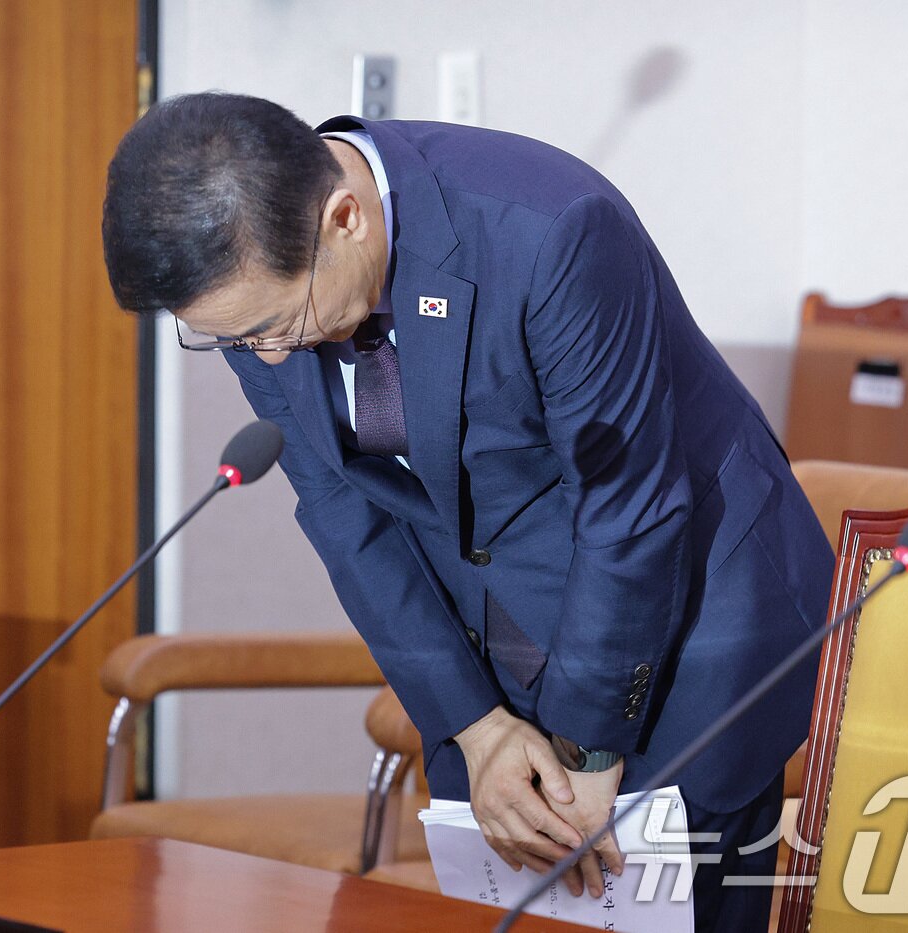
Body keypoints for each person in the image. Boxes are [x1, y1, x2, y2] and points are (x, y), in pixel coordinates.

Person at [101, 91, 832, 931]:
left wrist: (586, 748)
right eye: (233, 342)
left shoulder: (549, 228)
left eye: (270, 327)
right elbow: (345, 514)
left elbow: (628, 507)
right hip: (501, 664)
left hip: (687, 625)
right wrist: (479, 729)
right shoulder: (264, 294)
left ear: (345, 219)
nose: (265, 355)